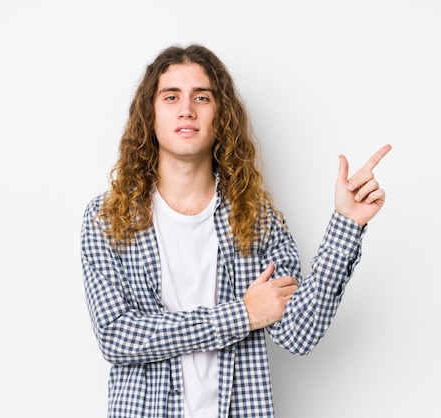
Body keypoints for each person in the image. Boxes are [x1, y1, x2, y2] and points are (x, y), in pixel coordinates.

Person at [80, 43, 391, 418]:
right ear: (150, 113)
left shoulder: (257, 219)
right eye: (171, 96)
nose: (186, 109)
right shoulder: (107, 218)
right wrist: (243, 315)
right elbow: (117, 337)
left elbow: (298, 334)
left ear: (220, 115)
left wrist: (346, 224)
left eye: (202, 97)